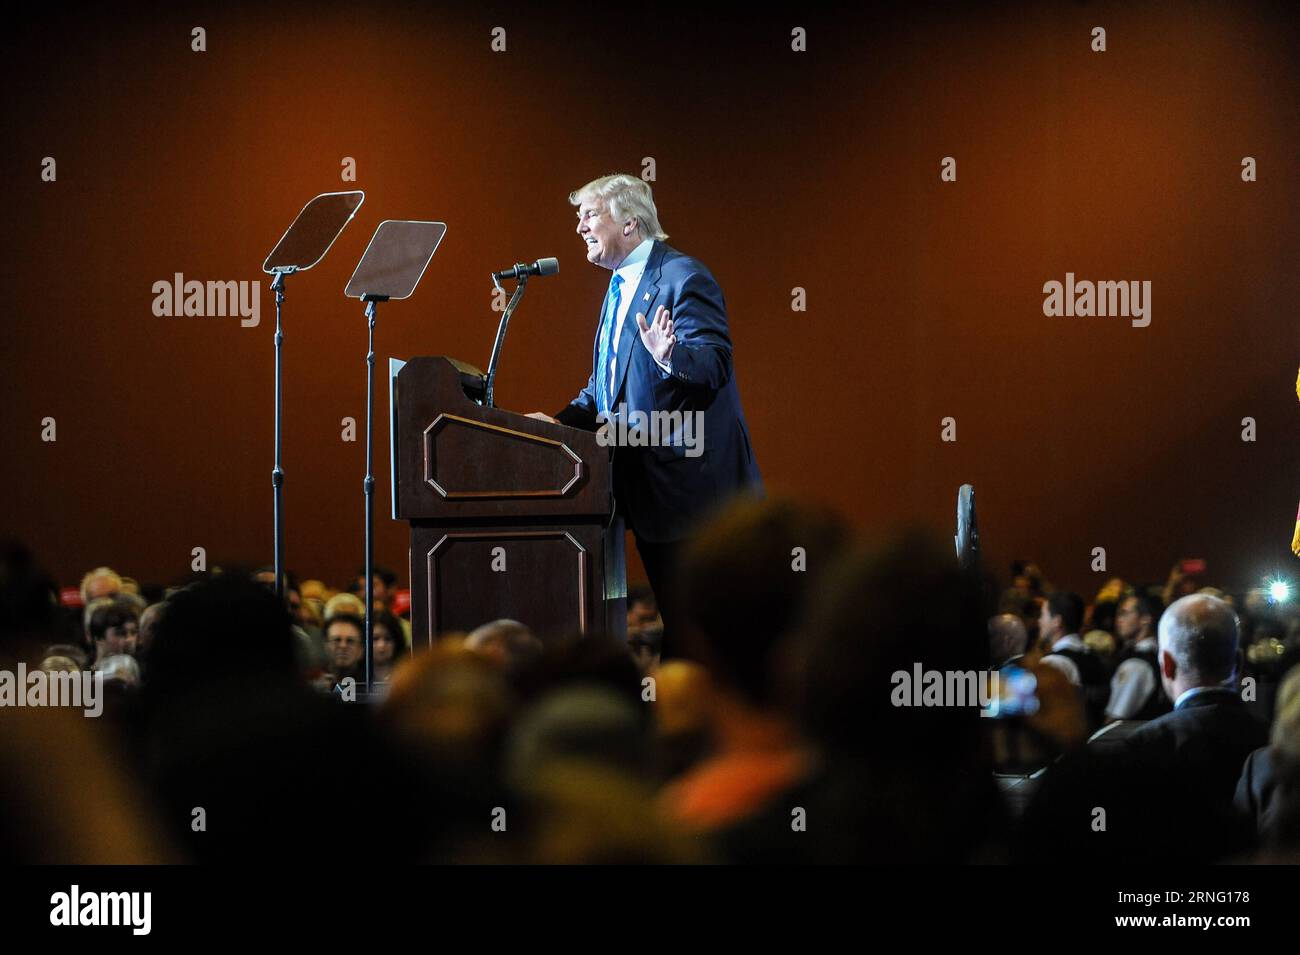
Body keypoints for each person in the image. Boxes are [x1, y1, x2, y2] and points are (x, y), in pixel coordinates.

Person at [529, 173, 762, 658]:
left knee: (698, 628)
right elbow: (604, 389)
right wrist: (555, 425)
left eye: (589, 214)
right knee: (682, 624)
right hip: (641, 486)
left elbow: (714, 365)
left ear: (630, 223)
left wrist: (669, 357)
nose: (579, 227)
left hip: (690, 491)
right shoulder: (619, 286)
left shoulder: (683, 277)